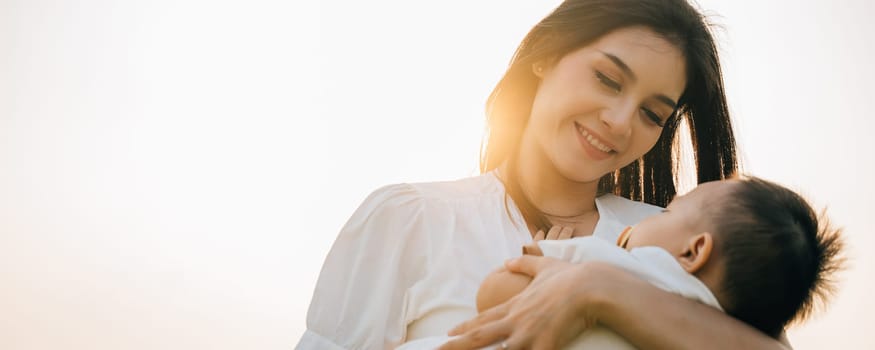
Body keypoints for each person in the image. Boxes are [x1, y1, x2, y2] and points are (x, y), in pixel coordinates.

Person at [298, 0, 797, 349]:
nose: (620, 122)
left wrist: (600, 290)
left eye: (652, 114)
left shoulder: (686, 249)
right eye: (606, 78)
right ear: (546, 56)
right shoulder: (411, 221)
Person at [466, 177, 844, 349]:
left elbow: (495, 293)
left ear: (694, 252)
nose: (646, 219)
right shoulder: (725, 326)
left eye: (667, 213)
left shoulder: (614, 264)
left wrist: (539, 262)